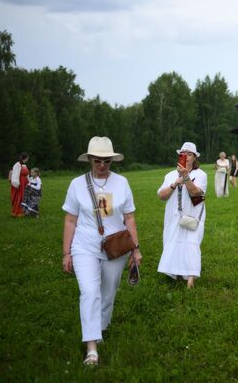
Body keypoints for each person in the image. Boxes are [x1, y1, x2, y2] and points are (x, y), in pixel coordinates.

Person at [62, 136, 142, 366]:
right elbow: (70, 221)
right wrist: (66, 253)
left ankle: (101, 327)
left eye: (106, 160)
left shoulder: (122, 183)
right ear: (89, 160)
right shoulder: (77, 184)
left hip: (115, 248)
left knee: (108, 293)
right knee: (89, 292)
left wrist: (135, 250)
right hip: (84, 246)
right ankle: (92, 347)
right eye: (97, 160)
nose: (102, 165)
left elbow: (129, 217)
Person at [157, 142, 207, 288]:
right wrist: (174, 184)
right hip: (173, 216)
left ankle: (190, 277)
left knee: (191, 243)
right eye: (182, 154)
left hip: (193, 214)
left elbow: (195, 193)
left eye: (189, 154)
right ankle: (176, 272)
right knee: (172, 241)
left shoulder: (200, 174)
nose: (185, 157)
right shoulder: (170, 175)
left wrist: (185, 177)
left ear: (194, 158)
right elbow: (161, 196)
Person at [10, 152, 30, 217]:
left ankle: (24, 211)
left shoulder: (24, 165)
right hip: (20, 183)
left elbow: (27, 175)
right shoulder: (17, 165)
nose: (27, 159)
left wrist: (29, 182)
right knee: (20, 197)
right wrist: (16, 183)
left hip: (25, 183)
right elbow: (15, 174)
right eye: (27, 158)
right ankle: (17, 212)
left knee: (25, 196)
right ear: (25, 158)